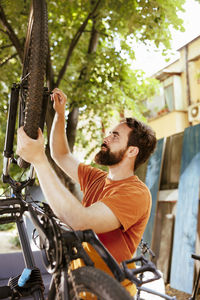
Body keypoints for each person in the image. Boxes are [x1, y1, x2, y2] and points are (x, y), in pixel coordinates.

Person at [17, 88, 157, 297]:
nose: (107, 137)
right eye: (110, 133)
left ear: (132, 151)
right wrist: (61, 114)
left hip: (109, 293)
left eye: (115, 136)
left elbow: (82, 221)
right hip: (78, 289)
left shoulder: (136, 193)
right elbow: (61, 154)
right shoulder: (97, 178)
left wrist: (38, 159)